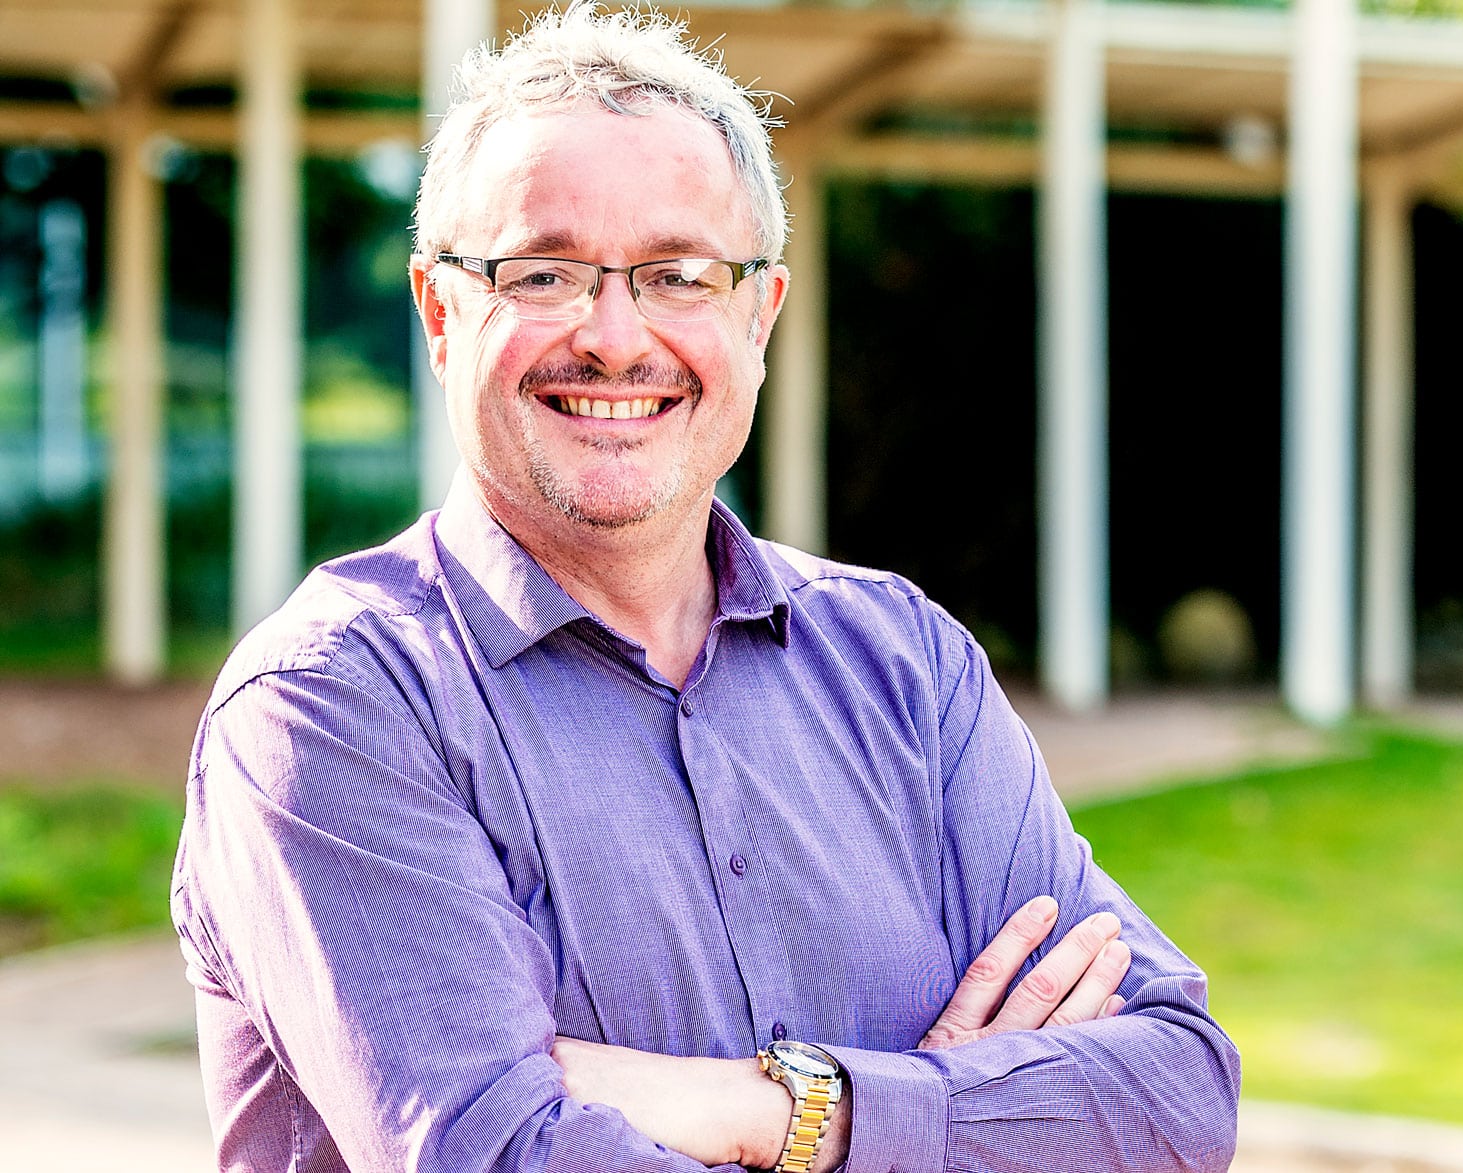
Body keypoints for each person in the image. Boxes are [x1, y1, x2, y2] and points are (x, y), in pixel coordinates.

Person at [169, 7, 1239, 1170]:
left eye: (680, 275)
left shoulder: (905, 665)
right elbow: (503, 1158)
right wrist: (953, 1112)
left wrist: (779, 1113)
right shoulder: (332, 711)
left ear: (758, 314)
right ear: (441, 312)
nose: (616, 337)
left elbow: (1176, 1095)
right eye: (546, 272)